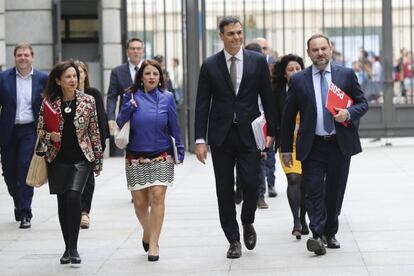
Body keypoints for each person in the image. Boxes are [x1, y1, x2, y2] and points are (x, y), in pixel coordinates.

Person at [194, 16, 275, 259]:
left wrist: (271, 132)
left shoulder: (257, 61)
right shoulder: (210, 65)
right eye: (231, 34)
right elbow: (201, 104)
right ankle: (233, 239)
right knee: (224, 189)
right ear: (221, 36)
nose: (237, 37)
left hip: (249, 135)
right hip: (221, 137)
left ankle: (247, 220)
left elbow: (268, 97)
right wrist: (200, 139)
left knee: (251, 183)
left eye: (239, 33)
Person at [281, 34, 368, 256]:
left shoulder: (346, 75)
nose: (320, 53)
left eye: (323, 48)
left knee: (335, 191)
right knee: (313, 190)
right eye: (315, 50)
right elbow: (288, 117)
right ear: (308, 53)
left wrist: (348, 112)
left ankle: (330, 233)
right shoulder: (299, 79)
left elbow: (363, 103)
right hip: (313, 145)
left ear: (330, 49)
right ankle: (317, 235)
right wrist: (286, 149)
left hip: (339, 144)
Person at [116, 60, 184, 262]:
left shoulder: (168, 97)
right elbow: (120, 122)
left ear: (160, 77)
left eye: (156, 73)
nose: (152, 77)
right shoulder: (130, 96)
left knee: (157, 197)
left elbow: (174, 125)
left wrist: (179, 149)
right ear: (141, 77)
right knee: (139, 203)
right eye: (148, 74)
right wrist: (129, 107)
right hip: (135, 156)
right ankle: (147, 231)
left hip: (162, 155)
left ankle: (154, 243)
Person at [37, 60, 103, 266]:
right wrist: (50, 137)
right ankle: (67, 248)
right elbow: (39, 134)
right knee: (63, 203)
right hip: (57, 160)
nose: (73, 80)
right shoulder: (49, 103)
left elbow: (94, 131)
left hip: (82, 159)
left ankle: (73, 248)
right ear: (58, 80)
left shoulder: (88, 101)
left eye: (75, 76)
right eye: (68, 76)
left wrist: (98, 159)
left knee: (74, 197)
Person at [0, 43, 48, 229]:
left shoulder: (43, 78)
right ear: (15, 57)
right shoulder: (3, 78)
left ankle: (25, 212)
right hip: (8, 131)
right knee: (10, 174)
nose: (23, 58)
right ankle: (18, 202)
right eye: (19, 55)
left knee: (24, 169)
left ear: (32, 57)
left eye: (26, 55)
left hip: (31, 130)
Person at [272, 54, 308, 239]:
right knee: (294, 179)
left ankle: (304, 217)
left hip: (308, 141)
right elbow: (272, 117)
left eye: (298, 68)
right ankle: (297, 221)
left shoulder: (309, 86)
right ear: (284, 74)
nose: (295, 72)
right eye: (290, 69)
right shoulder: (277, 92)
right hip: (287, 143)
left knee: (307, 183)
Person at [75, 60, 109, 229]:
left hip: (89, 145)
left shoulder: (93, 94)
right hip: (69, 146)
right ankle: (74, 210)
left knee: (87, 179)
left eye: (79, 72)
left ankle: (84, 212)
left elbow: (101, 121)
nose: (76, 75)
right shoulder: (63, 96)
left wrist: (100, 148)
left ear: (85, 74)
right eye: (73, 72)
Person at [107, 38, 145, 142]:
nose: (135, 51)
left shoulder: (149, 70)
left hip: (146, 116)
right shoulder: (117, 72)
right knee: (130, 151)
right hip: (126, 118)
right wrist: (111, 117)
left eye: (138, 48)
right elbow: (112, 96)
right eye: (132, 48)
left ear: (143, 51)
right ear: (127, 52)